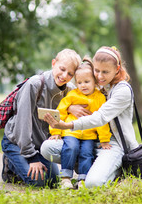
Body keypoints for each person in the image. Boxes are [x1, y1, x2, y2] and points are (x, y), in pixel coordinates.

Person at [41, 46, 139, 188]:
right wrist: (70, 108)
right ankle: (89, 168)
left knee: (92, 184)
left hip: (112, 144)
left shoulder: (122, 90)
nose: (99, 76)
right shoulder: (97, 85)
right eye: (97, 71)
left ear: (117, 69)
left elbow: (100, 117)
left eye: (105, 72)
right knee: (47, 148)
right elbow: (74, 97)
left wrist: (68, 125)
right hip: (90, 138)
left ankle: (115, 168)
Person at [1, 49, 81, 187]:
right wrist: (32, 158)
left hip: (40, 146)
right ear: (53, 63)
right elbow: (22, 123)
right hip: (17, 142)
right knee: (39, 181)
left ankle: (24, 161)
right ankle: (10, 164)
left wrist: (70, 107)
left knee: (54, 181)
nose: (64, 76)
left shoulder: (70, 91)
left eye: (70, 73)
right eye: (62, 69)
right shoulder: (35, 84)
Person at [48, 57, 112, 189]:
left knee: (86, 153)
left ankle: (82, 179)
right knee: (71, 148)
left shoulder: (99, 98)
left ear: (95, 82)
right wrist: (56, 131)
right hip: (71, 131)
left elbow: (102, 120)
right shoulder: (72, 95)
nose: (83, 85)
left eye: (87, 81)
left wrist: (104, 139)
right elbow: (60, 112)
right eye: (79, 82)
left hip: (89, 134)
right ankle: (65, 178)